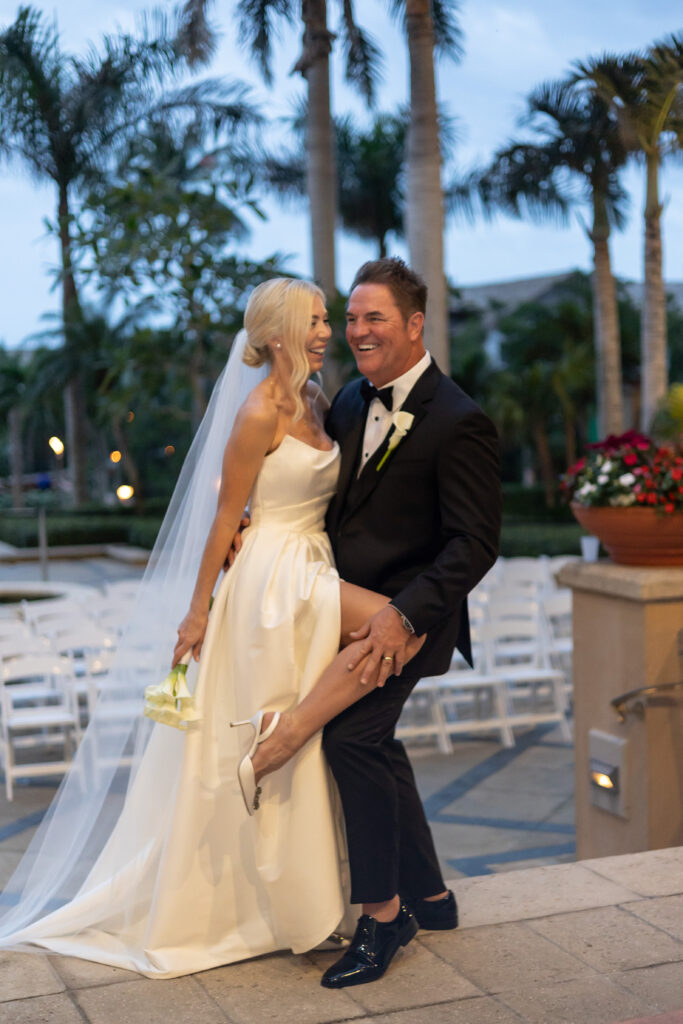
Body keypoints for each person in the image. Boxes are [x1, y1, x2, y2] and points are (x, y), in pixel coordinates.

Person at [0, 276, 423, 979]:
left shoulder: (318, 399)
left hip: (308, 563)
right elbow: (225, 518)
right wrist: (197, 611)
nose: (328, 332)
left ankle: (285, 807)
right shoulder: (258, 411)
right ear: (281, 330)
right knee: (395, 623)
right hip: (269, 583)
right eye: (316, 320)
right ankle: (270, 755)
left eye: (327, 319)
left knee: (351, 692)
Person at [231, 258, 502, 989]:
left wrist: (401, 617)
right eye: (349, 318)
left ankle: (383, 918)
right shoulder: (347, 400)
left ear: (414, 325)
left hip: (409, 619)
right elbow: (304, 483)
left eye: (373, 317)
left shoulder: (459, 419)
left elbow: (474, 543)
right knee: (377, 744)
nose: (355, 331)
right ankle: (432, 898)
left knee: (351, 739)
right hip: (332, 606)